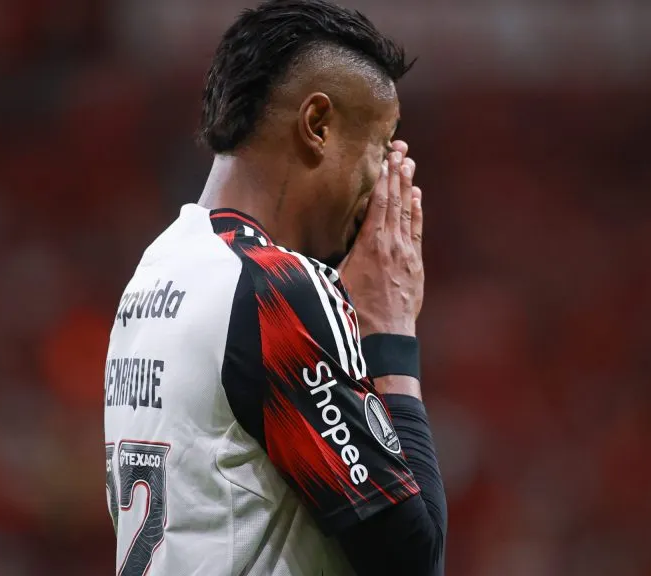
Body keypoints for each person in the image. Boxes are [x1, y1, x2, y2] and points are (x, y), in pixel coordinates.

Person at [103, 1, 447, 574]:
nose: (383, 180)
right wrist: (390, 330)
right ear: (318, 126)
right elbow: (413, 560)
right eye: (381, 148)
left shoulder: (153, 272)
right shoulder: (274, 288)